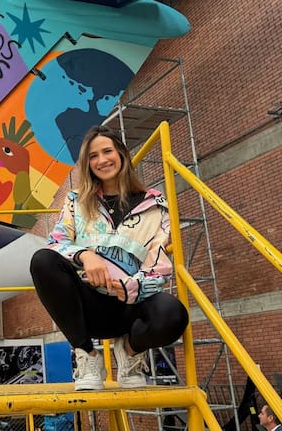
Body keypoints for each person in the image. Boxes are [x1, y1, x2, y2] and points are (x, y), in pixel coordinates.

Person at [30, 125, 189, 391]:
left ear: (122, 154)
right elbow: (56, 243)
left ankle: (129, 353)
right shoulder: (76, 201)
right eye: (93, 156)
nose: (102, 160)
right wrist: (84, 255)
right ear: (87, 164)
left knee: (173, 314)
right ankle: (87, 356)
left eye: (107, 151)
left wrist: (132, 286)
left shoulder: (155, 204)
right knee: (42, 260)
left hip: (130, 306)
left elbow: (158, 265)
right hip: (87, 307)